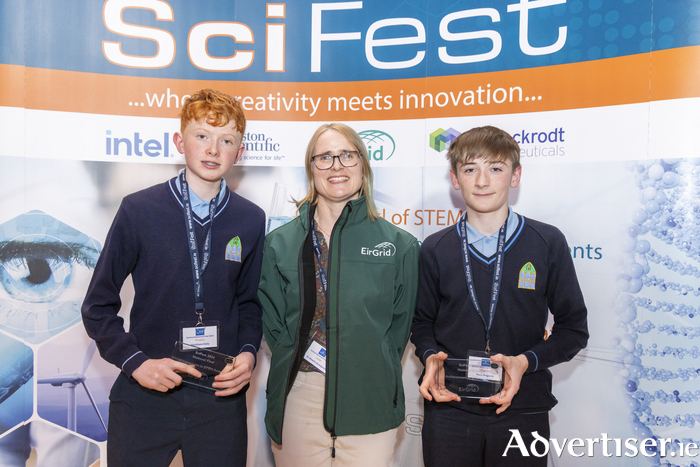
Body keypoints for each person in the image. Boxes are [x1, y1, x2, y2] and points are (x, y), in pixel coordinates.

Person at [81, 89, 265, 467]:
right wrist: (136, 362)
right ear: (180, 141)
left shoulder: (250, 218)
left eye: (226, 140)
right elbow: (97, 306)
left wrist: (248, 353)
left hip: (219, 398)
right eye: (202, 136)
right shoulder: (139, 210)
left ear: (239, 151)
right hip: (146, 394)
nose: (213, 149)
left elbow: (250, 304)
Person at [411, 126, 589, 467]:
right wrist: (431, 354)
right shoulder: (435, 247)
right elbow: (421, 323)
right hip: (449, 408)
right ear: (454, 178)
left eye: (495, 168)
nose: (482, 181)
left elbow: (573, 330)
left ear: (515, 175)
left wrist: (525, 362)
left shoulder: (546, 241)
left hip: (522, 407)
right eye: (469, 169)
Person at [258, 123, 419, 467]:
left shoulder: (398, 244)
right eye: (325, 157)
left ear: (363, 165)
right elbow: (273, 323)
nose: (337, 166)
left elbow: (399, 328)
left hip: (369, 393)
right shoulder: (279, 243)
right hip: (300, 393)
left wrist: (369, 363)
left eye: (347, 155)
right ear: (311, 168)